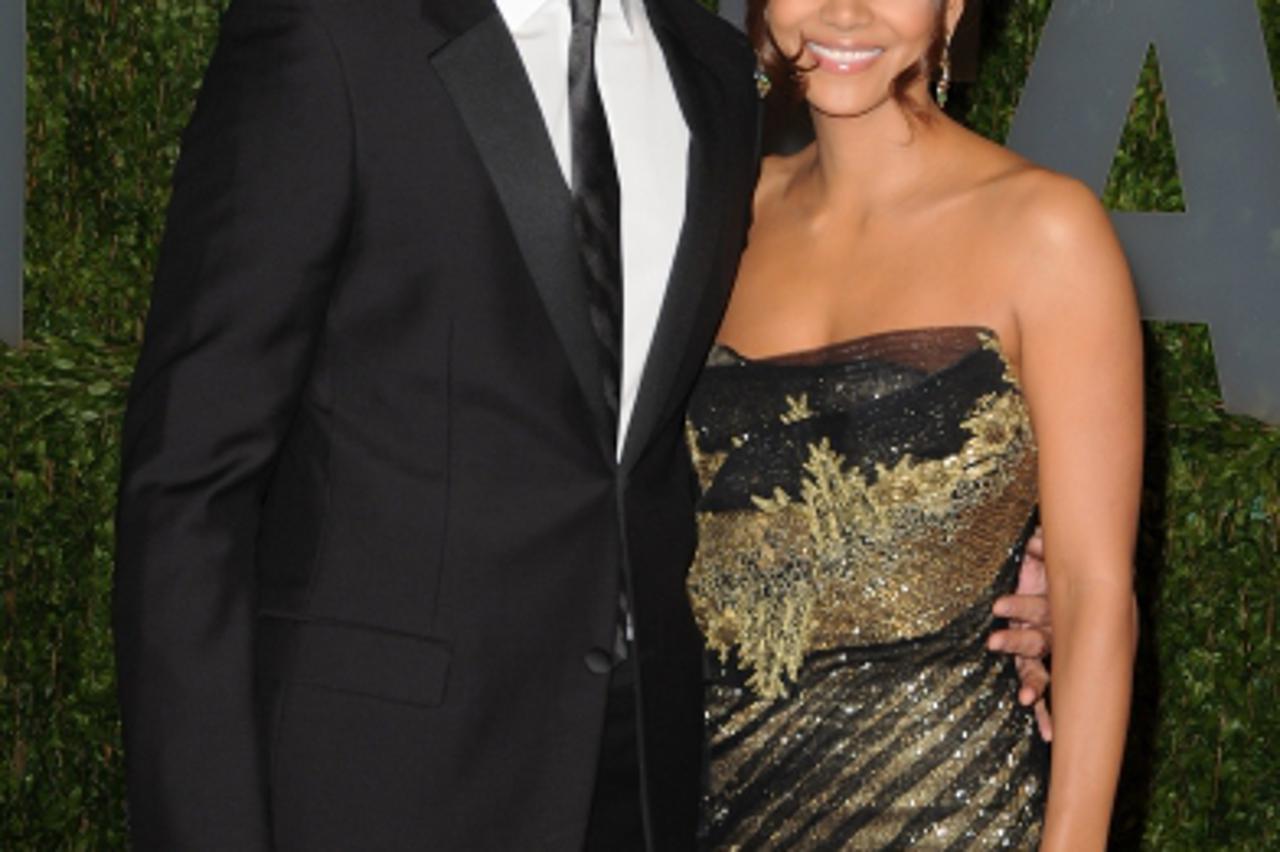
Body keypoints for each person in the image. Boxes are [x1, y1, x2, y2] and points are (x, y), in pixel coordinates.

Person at [112, 0, 1054, 849]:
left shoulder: (714, 73)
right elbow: (189, 484)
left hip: (658, 777)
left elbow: (694, 422)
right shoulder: (334, 32)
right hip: (380, 779)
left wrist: (975, 553)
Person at [684, 0, 1141, 849]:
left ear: (953, 5)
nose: (845, 12)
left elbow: (1092, 592)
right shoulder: (718, 218)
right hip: (718, 808)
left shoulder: (1046, 230)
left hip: (954, 814)